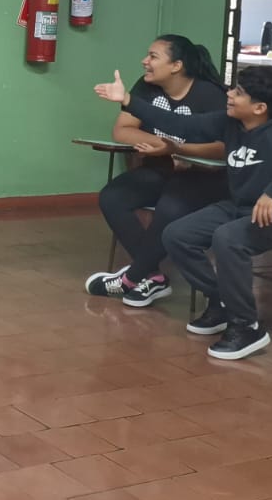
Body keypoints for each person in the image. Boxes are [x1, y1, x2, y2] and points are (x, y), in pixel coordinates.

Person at [94, 65, 272, 361]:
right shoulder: (230, 123)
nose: (229, 95)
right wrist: (128, 100)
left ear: (259, 108)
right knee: (177, 235)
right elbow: (180, 125)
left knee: (228, 238)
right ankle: (221, 301)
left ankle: (246, 326)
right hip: (241, 208)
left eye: (239, 92)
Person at [85, 35, 228, 306]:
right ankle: (153, 276)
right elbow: (122, 130)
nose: (144, 61)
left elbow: (223, 147)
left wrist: (178, 150)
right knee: (113, 197)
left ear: (176, 66)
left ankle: (133, 278)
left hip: (203, 175)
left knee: (169, 207)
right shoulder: (146, 86)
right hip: (162, 168)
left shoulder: (209, 94)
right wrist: (166, 147)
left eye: (153, 56)